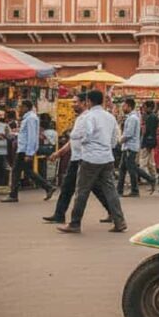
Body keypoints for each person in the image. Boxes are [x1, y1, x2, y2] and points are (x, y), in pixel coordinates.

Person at [57, 90, 126, 234]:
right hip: (107, 157)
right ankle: (119, 221)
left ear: (88, 101)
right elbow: (115, 138)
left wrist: (81, 140)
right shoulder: (110, 117)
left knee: (82, 191)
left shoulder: (89, 116)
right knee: (110, 190)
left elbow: (85, 134)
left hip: (90, 157)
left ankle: (75, 223)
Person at [43, 93, 112, 224]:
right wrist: (59, 153)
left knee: (80, 189)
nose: (73, 105)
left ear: (85, 103)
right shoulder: (81, 118)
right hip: (79, 158)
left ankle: (68, 219)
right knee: (72, 188)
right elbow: (73, 140)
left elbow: (85, 137)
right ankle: (60, 214)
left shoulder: (87, 118)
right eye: (73, 102)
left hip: (83, 159)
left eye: (76, 102)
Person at [1, 100, 56, 202]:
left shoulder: (30, 118)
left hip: (24, 150)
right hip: (24, 148)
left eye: (20, 107)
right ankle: (48, 187)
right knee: (27, 171)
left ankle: (13, 195)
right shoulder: (29, 118)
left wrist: (29, 153)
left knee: (16, 171)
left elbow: (32, 136)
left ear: (26, 107)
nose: (19, 109)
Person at [117, 97, 156, 196]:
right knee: (123, 169)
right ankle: (120, 190)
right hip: (128, 147)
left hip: (130, 147)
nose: (123, 108)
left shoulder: (133, 118)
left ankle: (148, 181)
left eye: (124, 106)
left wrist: (120, 141)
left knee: (132, 168)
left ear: (129, 107)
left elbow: (128, 134)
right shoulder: (131, 118)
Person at [138, 101, 159, 190]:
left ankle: (147, 179)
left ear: (149, 108)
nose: (144, 109)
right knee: (150, 163)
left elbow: (150, 131)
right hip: (149, 142)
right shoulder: (151, 117)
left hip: (147, 142)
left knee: (143, 162)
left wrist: (147, 143)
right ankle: (153, 179)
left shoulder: (151, 117)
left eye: (145, 107)